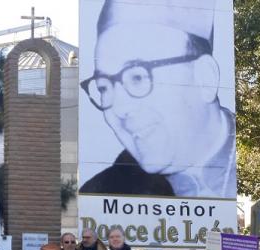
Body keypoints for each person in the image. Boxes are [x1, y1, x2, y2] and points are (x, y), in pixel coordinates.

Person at [79, 0, 235, 198]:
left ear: (206, 77)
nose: (119, 108)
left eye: (137, 77)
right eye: (103, 87)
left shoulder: (253, 162)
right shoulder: (100, 191)